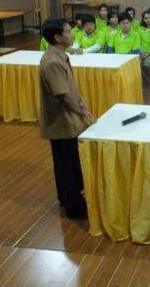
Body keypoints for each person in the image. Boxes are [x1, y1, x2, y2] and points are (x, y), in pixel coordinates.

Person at [39, 18, 96, 219]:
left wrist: (81, 101)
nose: (72, 35)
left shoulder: (59, 56)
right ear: (57, 37)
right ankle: (74, 207)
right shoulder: (53, 62)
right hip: (62, 121)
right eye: (68, 32)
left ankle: (66, 198)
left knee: (66, 163)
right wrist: (83, 113)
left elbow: (70, 89)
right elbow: (63, 95)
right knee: (68, 165)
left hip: (67, 118)